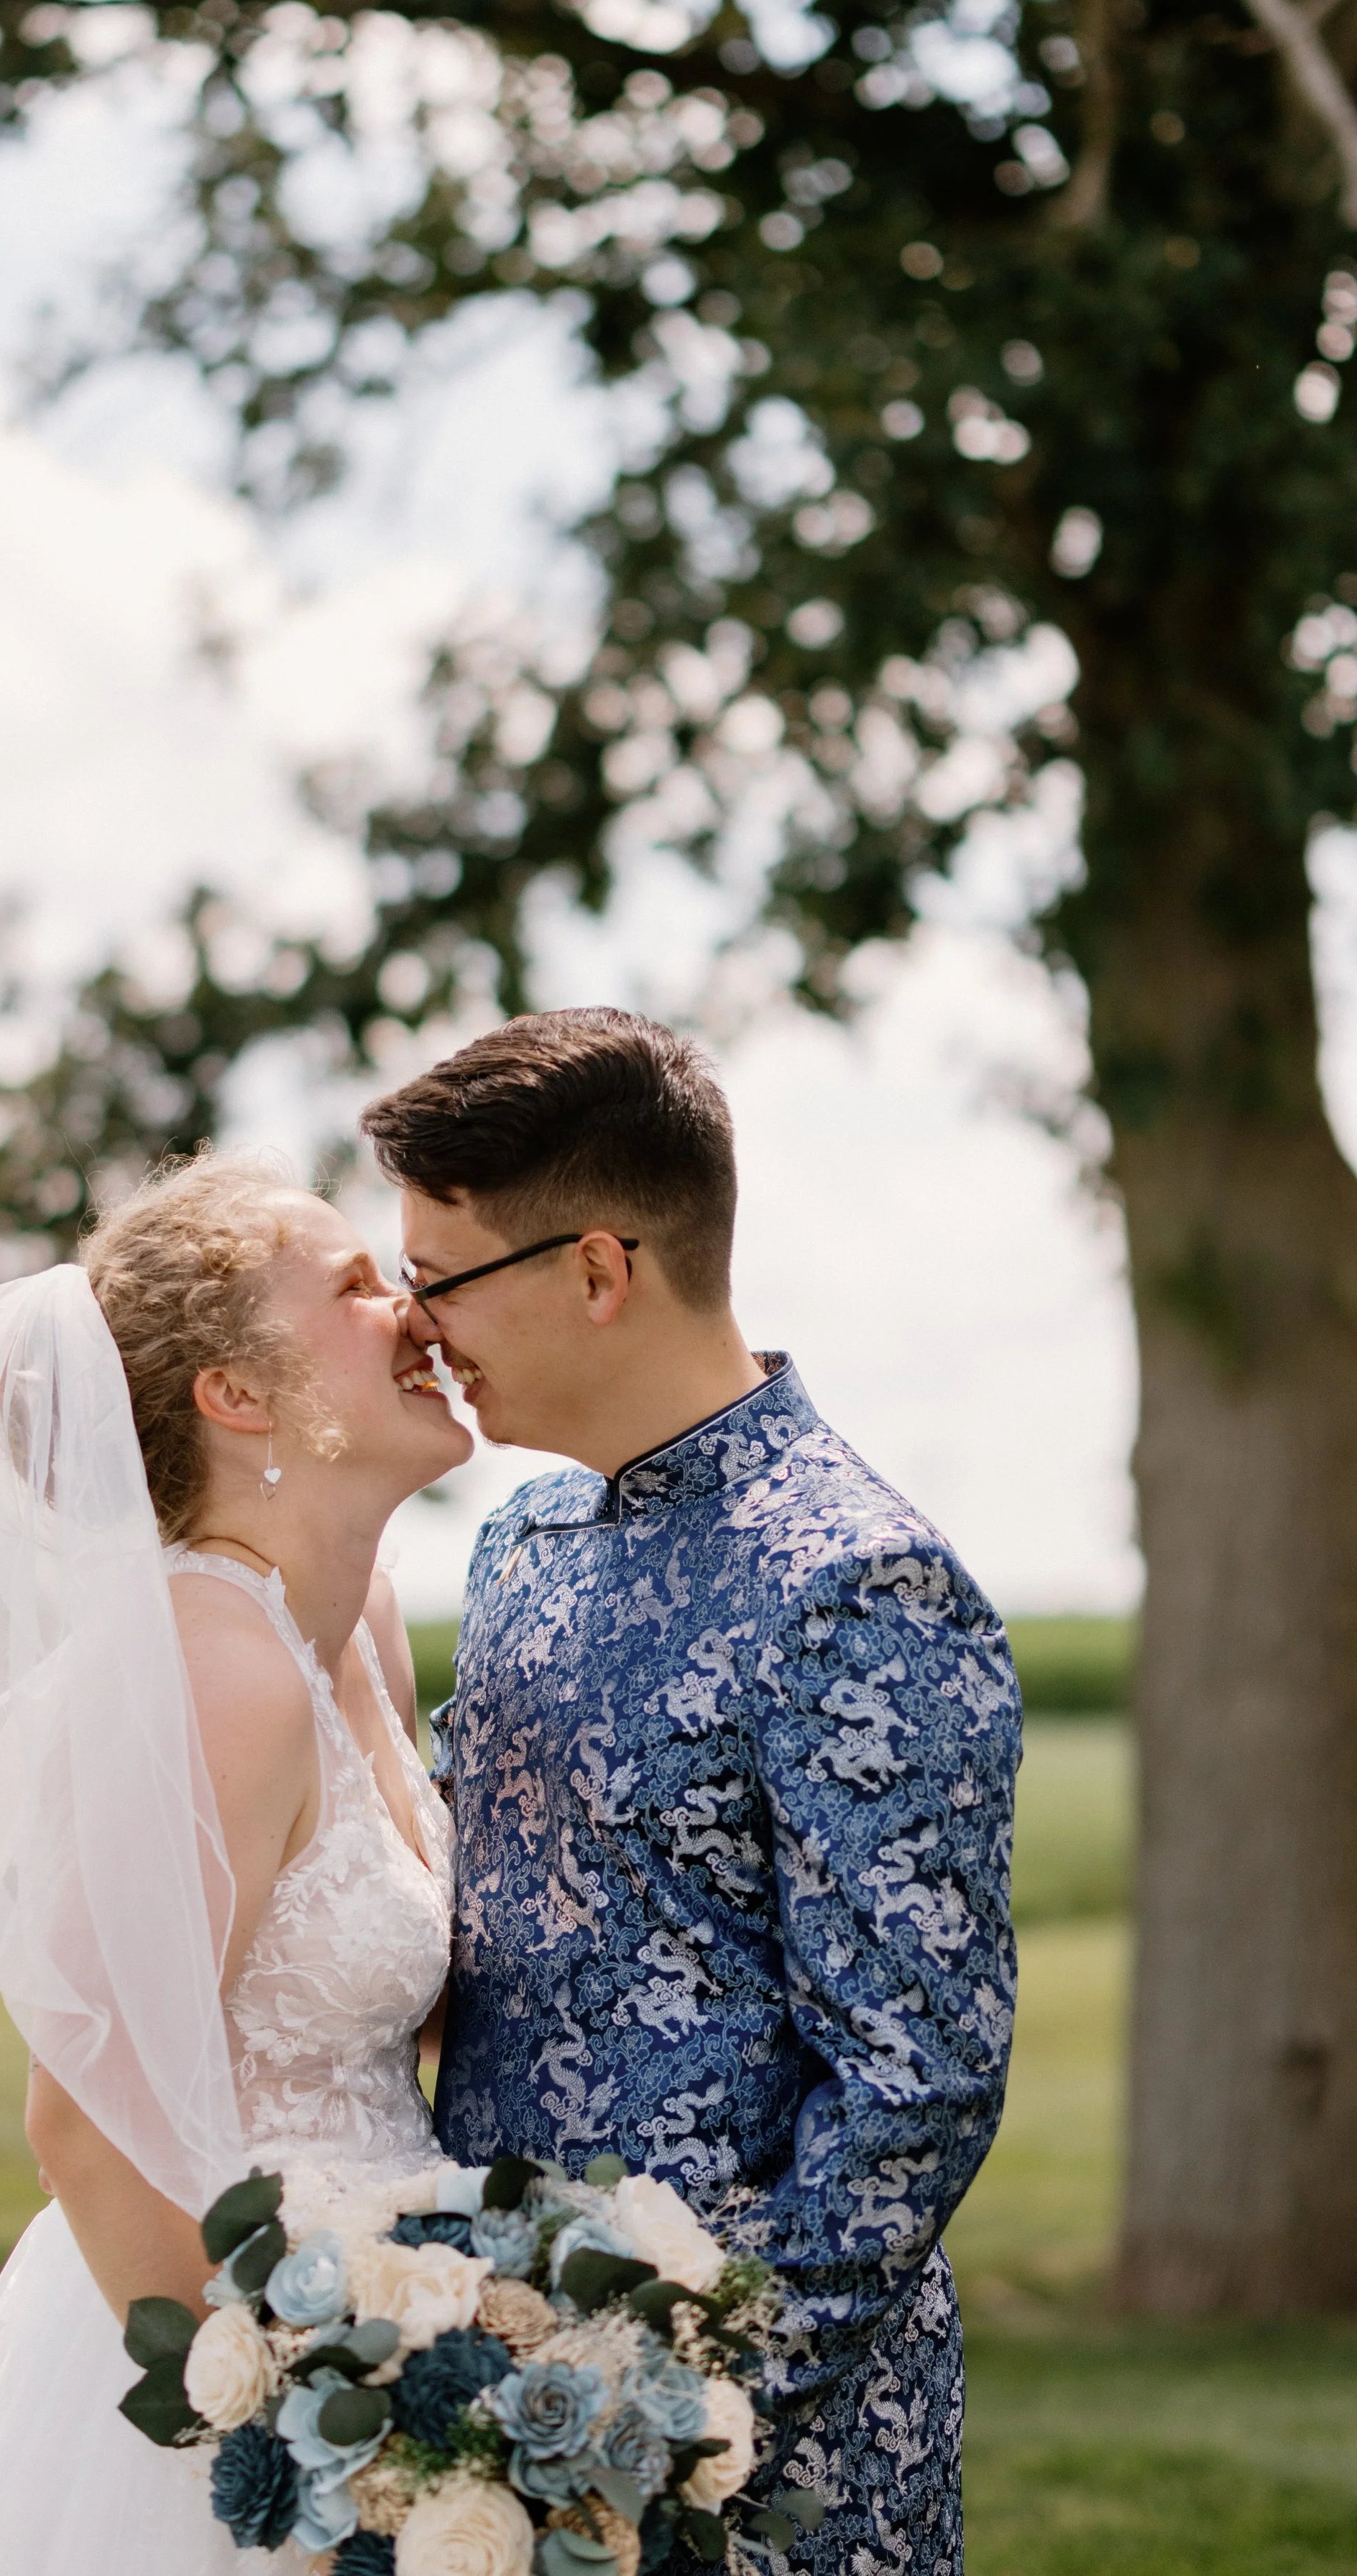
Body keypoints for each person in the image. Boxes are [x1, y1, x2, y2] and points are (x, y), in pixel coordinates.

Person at [360, 1007, 1020, 2576]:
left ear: (597, 1272)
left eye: (439, 1278)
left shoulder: (859, 1589)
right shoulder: (519, 1543)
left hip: (766, 2468)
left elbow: (913, 2084)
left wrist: (673, 2413)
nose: (413, 1323)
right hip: (487, 2399)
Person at [0, 1151, 469, 2576]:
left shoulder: (361, 1623)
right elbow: (80, 2122)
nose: (417, 1314)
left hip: (399, 2313)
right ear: (237, 1396)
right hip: (225, 2352)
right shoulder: (218, 1669)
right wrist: (295, 2461)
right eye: (357, 1289)